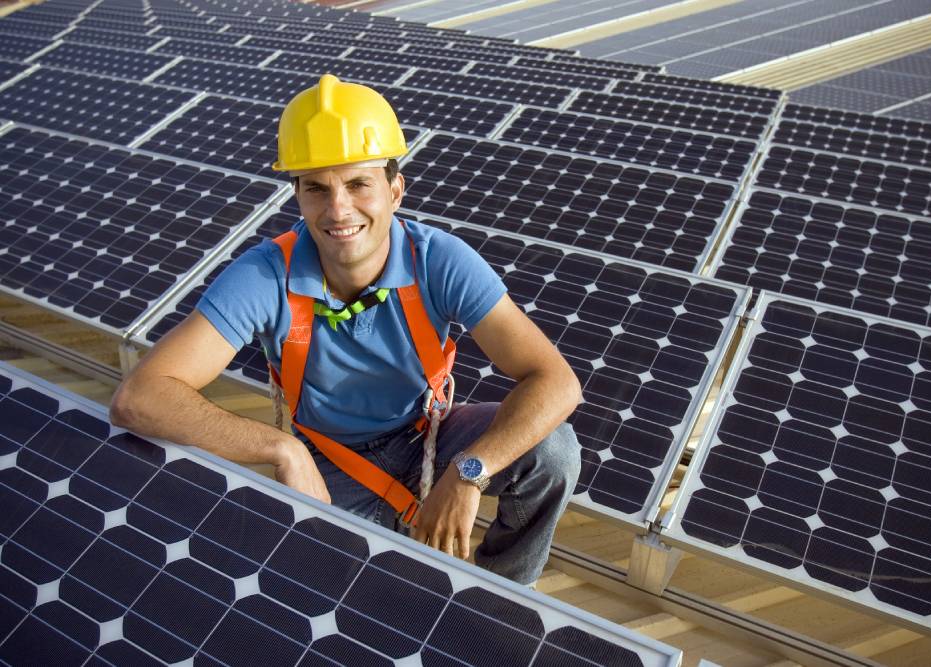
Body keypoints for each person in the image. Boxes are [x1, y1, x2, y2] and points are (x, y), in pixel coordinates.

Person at [110, 73, 583, 585]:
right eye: (317, 188)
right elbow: (141, 397)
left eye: (358, 184)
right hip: (327, 458)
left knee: (552, 451)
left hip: (428, 435)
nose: (338, 210)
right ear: (297, 196)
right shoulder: (264, 274)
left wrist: (471, 471)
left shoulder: (439, 260)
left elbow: (556, 381)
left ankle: (507, 596)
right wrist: (281, 449)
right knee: (318, 589)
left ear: (395, 190)